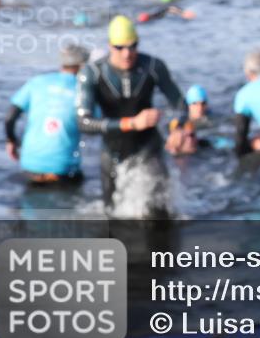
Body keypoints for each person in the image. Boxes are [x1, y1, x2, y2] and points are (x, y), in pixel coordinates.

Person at [76, 15, 184, 217]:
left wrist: (177, 128)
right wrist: (131, 123)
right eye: (120, 48)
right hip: (113, 151)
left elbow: (180, 105)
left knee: (160, 214)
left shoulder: (153, 67)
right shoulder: (92, 73)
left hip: (148, 148)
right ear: (109, 46)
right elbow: (83, 123)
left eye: (133, 46)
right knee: (112, 216)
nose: (127, 54)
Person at [5, 45, 89, 185]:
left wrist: (11, 140)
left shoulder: (37, 82)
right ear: (83, 66)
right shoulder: (84, 90)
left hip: (29, 166)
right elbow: (93, 124)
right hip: (64, 170)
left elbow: (10, 118)